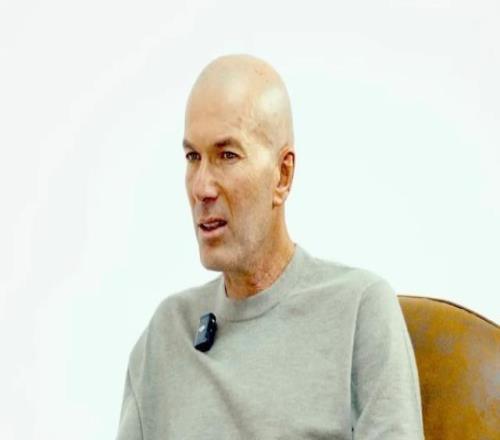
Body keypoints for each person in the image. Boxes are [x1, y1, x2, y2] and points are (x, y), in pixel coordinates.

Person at [116, 54, 424, 439]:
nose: (201, 187)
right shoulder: (166, 334)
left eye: (227, 156)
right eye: (193, 157)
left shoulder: (358, 310)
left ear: (282, 175)